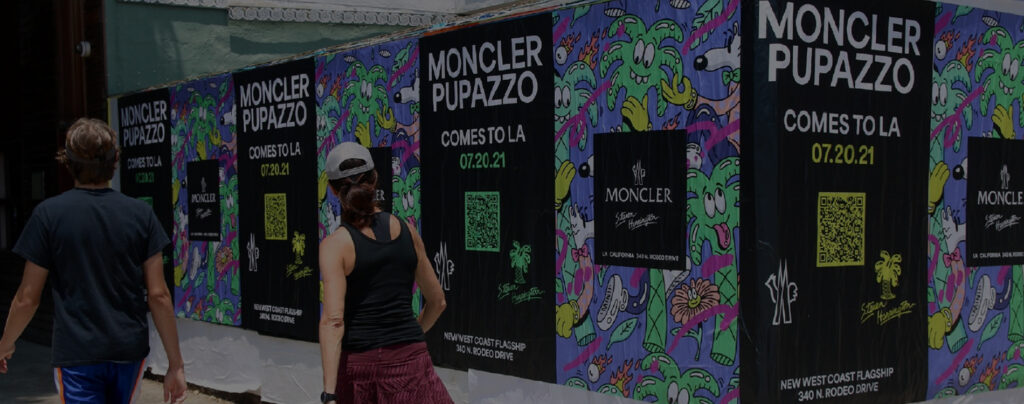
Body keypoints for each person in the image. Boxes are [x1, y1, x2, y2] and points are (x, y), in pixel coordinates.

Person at [0, 117, 187, 403]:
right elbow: (158, 295)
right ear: (115, 161)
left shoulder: (48, 215)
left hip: (77, 353)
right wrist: (176, 365)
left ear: (67, 162)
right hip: (128, 350)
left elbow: (27, 298)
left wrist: (5, 343)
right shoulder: (141, 215)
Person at [318, 141, 451, 404]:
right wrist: (406, 339)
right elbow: (438, 302)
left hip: (360, 370)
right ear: (375, 180)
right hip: (413, 364)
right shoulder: (407, 230)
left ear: (332, 190)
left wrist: (329, 395)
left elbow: (333, 321)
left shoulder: (335, 245)